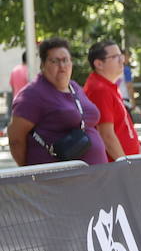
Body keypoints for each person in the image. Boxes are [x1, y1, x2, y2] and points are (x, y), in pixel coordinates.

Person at [6, 37, 106, 167]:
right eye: (55, 61)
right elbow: (15, 139)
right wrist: (31, 172)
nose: (62, 66)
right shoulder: (32, 95)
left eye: (65, 60)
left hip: (93, 176)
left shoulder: (74, 87)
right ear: (43, 64)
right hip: (57, 181)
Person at [83, 40, 141, 161]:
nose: (122, 60)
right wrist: (126, 165)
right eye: (115, 57)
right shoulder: (100, 89)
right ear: (99, 64)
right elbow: (106, 135)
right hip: (116, 169)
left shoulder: (106, 85)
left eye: (121, 55)